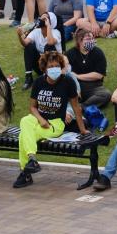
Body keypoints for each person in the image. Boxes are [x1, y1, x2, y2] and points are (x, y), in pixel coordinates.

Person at [13, 51, 87, 188]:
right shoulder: (39, 82)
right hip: (39, 119)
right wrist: (41, 119)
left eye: (57, 66)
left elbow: (76, 107)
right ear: (44, 68)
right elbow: (32, 107)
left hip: (55, 123)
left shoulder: (68, 81)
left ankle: (26, 172)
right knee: (25, 121)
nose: (54, 69)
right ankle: (31, 159)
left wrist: (82, 129)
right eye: (51, 66)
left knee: (25, 134)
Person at [67, 29, 113, 109]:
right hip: (74, 85)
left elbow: (98, 75)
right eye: (88, 39)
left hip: (93, 86)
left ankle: (81, 107)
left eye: (92, 38)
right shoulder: (70, 53)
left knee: (106, 94)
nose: (91, 41)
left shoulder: (98, 52)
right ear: (79, 40)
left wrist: (77, 76)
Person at [16, 12, 60, 85]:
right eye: (40, 18)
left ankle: (48, 76)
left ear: (50, 21)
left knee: (48, 46)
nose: (40, 20)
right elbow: (25, 43)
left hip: (54, 66)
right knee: (29, 46)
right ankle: (29, 77)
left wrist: (48, 26)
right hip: (40, 65)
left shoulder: (56, 32)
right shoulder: (36, 31)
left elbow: (50, 42)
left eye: (44, 19)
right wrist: (19, 36)